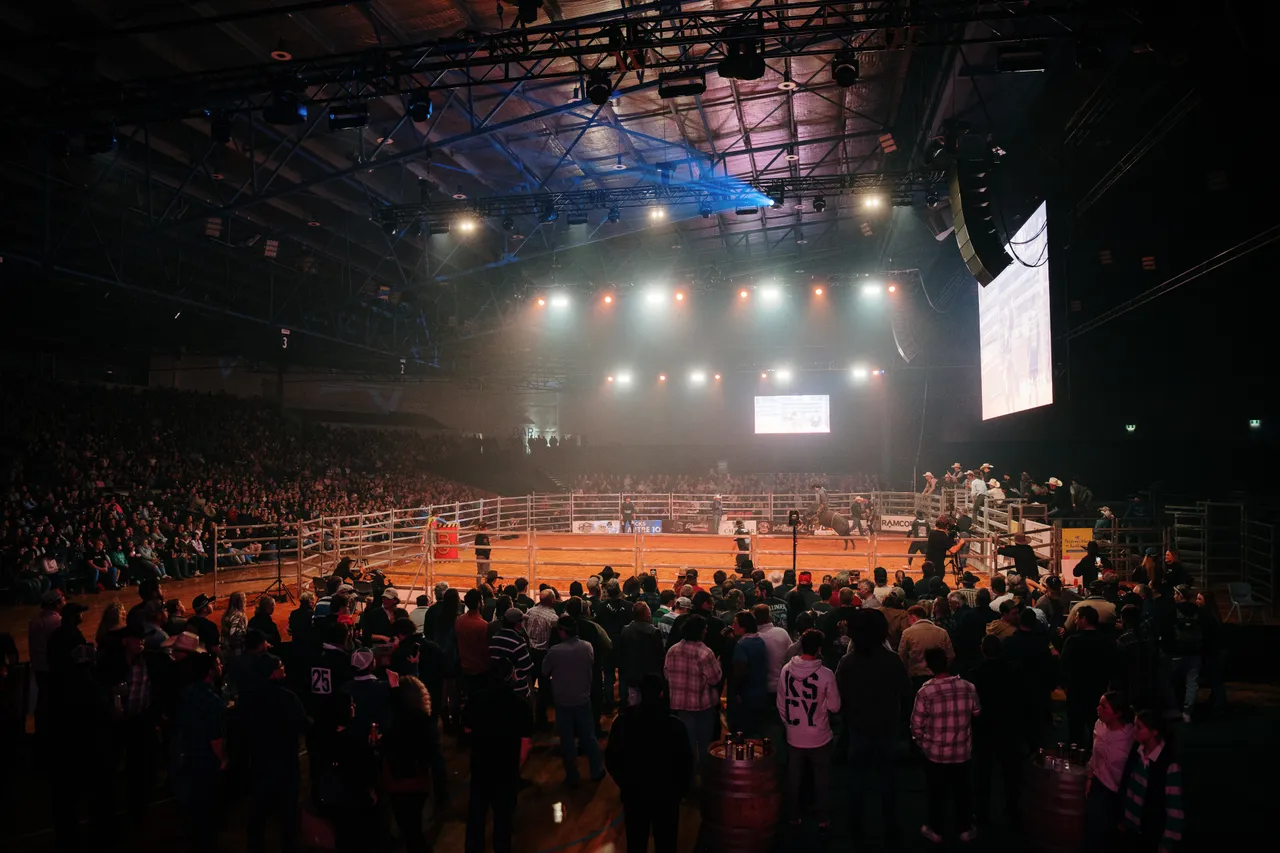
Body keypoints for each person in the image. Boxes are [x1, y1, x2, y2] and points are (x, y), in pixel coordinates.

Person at [835, 608, 911, 844]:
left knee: (856, 779)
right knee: (887, 779)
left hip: (858, 726)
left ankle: (855, 827)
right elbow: (906, 691)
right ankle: (890, 827)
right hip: (886, 727)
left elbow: (840, 695)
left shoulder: (848, 662)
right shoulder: (892, 660)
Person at [606, 674, 693, 853]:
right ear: (662, 694)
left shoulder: (622, 723)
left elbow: (612, 760)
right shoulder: (675, 726)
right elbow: (686, 764)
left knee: (636, 843)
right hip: (667, 797)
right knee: (666, 843)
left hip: (634, 795)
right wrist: (678, 792)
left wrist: (626, 784)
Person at [239, 653, 309, 853]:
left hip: (259, 760)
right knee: (287, 810)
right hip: (285, 761)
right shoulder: (287, 698)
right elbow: (303, 725)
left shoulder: (247, 698)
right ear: (272, 673)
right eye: (280, 666)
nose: (283, 668)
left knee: (259, 809)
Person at [911, 647, 980, 844]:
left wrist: (923, 744)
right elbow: (976, 712)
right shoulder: (968, 687)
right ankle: (965, 829)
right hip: (962, 750)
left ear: (928, 666)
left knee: (935, 792)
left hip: (935, 753)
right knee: (963, 791)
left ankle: (936, 830)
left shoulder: (926, 691)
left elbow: (916, 725)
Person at [464, 659, 532, 853]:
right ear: (511, 676)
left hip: (480, 766)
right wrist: (515, 766)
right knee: (503, 820)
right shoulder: (520, 705)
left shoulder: (476, 698)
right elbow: (525, 745)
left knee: (476, 816)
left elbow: (467, 728)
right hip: (506, 769)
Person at [778, 629, 841, 830]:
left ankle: (793, 815)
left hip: (793, 733)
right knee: (821, 776)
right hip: (819, 734)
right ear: (819, 649)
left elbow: (781, 703)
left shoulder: (786, 670)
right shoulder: (826, 674)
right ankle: (823, 817)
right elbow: (835, 706)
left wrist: (789, 723)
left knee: (793, 775)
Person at [172, 652, 227, 853]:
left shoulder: (186, 692)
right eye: (218, 664)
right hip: (206, 758)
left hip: (188, 753)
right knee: (208, 807)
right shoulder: (213, 701)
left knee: (194, 804)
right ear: (210, 672)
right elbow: (215, 737)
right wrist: (222, 758)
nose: (221, 667)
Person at [543, 615, 604, 787]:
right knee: (589, 738)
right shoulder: (587, 646)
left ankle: (572, 775)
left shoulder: (555, 651)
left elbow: (545, 670)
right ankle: (596, 770)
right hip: (583, 698)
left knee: (567, 741)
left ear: (562, 631)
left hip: (562, 700)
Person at [383, 675, 440, 853]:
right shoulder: (425, 721)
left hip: (395, 780)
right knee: (416, 827)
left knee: (405, 824)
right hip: (418, 780)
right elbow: (432, 754)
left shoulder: (391, 720)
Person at [1118, 710, 1184, 853]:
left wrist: (1167, 842)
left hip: (1151, 833)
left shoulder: (1168, 764)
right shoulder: (1137, 751)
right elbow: (1127, 784)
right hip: (1132, 829)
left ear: (1154, 732)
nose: (1134, 730)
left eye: (1139, 727)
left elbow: (1174, 807)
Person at [664, 614, 723, 766]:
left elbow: (666, 673)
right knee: (704, 746)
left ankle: (688, 778)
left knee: (686, 746)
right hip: (702, 705)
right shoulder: (705, 653)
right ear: (700, 631)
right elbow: (714, 678)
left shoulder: (672, 650)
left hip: (680, 705)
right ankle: (703, 777)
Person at [1083, 692, 1135, 852]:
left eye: (1103, 706)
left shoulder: (1131, 735)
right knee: (1093, 834)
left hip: (1119, 793)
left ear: (1117, 713)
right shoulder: (1099, 725)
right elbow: (1095, 754)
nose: (1098, 708)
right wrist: (1090, 777)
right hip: (1099, 786)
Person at [1061, 605, 1117, 746]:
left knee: (1076, 728)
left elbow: (1063, 666)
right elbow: (1113, 665)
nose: (1075, 621)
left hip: (1076, 690)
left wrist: (1065, 685)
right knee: (1096, 725)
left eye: (1077, 618)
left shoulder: (1073, 641)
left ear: (1084, 619)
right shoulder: (1107, 641)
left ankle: (1076, 755)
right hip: (1098, 689)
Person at [727, 610, 769, 736]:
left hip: (746, 695)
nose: (732, 626)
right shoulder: (760, 641)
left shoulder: (742, 645)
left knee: (743, 732)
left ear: (743, 627)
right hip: (760, 692)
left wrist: (737, 692)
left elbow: (740, 671)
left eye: (735, 624)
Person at [617, 602, 666, 706]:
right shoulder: (654, 631)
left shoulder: (625, 630)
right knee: (649, 705)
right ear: (647, 614)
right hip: (650, 676)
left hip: (632, 674)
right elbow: (660, 656)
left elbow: (622, 653)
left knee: (634, 704)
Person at [899, 605, 955, 689]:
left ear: (913, 617)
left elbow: (902, 656)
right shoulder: (942, 632)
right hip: (937, 674)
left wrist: (907, 672)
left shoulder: (908, 633)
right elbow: (951, 655)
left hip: (916, 675)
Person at [221, 590, 248, 659]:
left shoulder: (226, 614)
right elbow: (236, 635)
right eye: (244, 598)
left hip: (225, 649)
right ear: (240, 602)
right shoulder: (239, 616)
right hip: (235, 652)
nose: (246, 600)